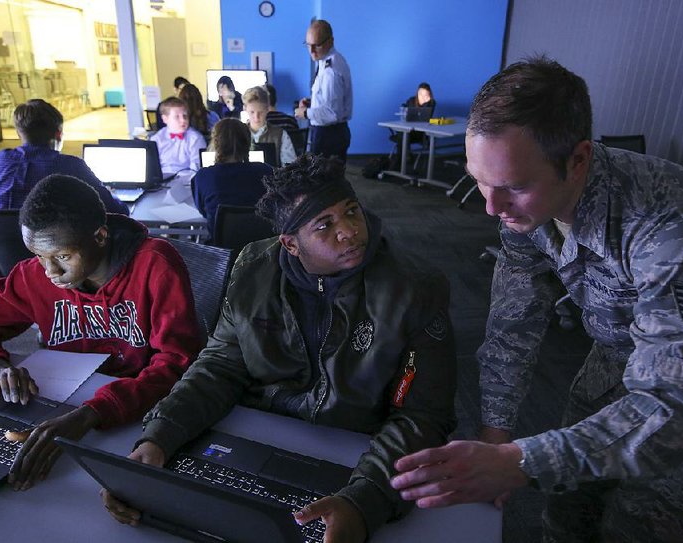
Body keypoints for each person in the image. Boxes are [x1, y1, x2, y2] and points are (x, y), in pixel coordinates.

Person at [391, 56, 683, 542]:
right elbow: (513, 324)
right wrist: (497, 437)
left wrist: (519, 462)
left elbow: (677, 405)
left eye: (512, 187)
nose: (490, 207)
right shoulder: (524, 205)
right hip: (611, 364)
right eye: (479, 180)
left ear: (578, 160)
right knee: (567, 510)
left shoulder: (673, 231)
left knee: (639, 525)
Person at [101, 154, 457, 542]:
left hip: (357, 451)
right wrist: (159, 436)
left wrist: (365, 499)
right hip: (257, 438)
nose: (351, 231)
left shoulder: (414, 288)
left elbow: (422, 415)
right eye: (325, 225)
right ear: (290, 244)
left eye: (352, 211)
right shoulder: (252, 267)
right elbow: (220, 367)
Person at [0, 175, 202, 491]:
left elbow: (176, 365)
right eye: (38, 256)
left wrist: (92, 414)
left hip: (139, 412)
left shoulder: (155, 264)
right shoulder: (35, 275)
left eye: (62, 257)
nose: (50, 272)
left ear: (101, 236)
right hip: (61, 405)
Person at [0, 99, 128, 215]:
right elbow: (116, 210)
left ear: (19, 134)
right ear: (58, 134)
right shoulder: (69, 165)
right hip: (47, 246)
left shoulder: (0, 159)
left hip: (0, 245)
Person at [191, 117, 273, 235]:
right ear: (248, 142)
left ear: (215, 143)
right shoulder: (266, 171)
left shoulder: (203, 176)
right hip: (261, 248)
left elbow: (204, 212)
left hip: (221, 251)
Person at [295, 20, 353, 162]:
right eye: (308, 45)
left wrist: (305, 112)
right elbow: (329, 98)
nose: (312, 51)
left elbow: (332, 113)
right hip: (332, 132)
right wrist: (312, 102)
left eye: (317, 45)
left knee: (323, 180)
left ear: (330, 41)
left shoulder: (330, 71)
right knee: (328, 179)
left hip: (329, 134)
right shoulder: (327, 59)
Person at [242, 85, 297, 166]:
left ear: (268, 109)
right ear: (245, 109)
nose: (256, 118)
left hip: (273, 177)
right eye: (252, 112)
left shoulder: (280, 135)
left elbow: (290, 167)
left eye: (260, 112)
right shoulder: (237, 134)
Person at [150, 96, 206, 174]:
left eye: (185, 116)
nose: (183, 120)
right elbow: (152, 167)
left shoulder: (195, 138)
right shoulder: (157, 139)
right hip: (162, 180)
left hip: (187, 180)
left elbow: (196, 167)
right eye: (177, 117)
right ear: (165, 119)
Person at [389, 82, 437, 170]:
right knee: (402, 134)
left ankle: (399, 161)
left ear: (429, 94)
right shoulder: (411, 100)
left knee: (401, 136)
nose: (422, 96)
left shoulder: (431, 103)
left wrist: (426, 102)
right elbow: (404, 111)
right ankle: (406, 155)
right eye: (420, 93)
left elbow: (426, 118)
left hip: (420, 132)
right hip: (408, 130)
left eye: (425, 94)